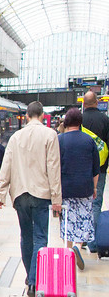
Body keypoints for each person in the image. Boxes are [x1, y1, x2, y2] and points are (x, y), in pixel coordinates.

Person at [0, 101, 62, 297]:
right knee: (41, 237)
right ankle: (34, 281)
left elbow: (6, 166)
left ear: (27, 115)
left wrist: (0, 193)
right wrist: (57, 199)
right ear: (41, 115)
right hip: (41, 193)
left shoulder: (16, 137)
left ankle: (30, 277)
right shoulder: (50, 135)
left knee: (26, 236)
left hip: (20, 194)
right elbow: (54, 169)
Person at [58, 107, 100, 270]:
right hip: (85, 187)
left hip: (65, 188)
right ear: (80, 122)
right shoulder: (89, 141)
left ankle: (69, 251)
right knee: (83, 219)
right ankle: (77, 245)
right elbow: (95, 168)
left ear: (67, 122)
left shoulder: (60, 140)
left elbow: (55, 166)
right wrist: (94, 187)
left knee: (67, 220)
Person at [81, 90, 109, 254]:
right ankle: (94, 242)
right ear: (97, 102)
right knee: (96, 203)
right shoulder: (106, 120)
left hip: (81, 169)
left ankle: (83, 238)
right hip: (100, 170)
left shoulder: (79, 120)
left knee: (82, 204)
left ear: (84, 104)